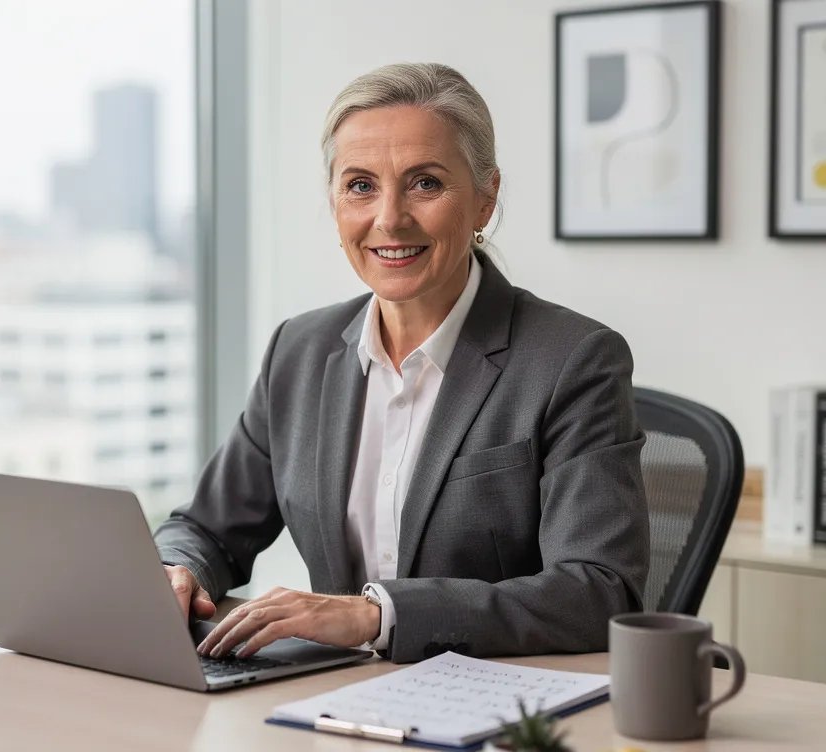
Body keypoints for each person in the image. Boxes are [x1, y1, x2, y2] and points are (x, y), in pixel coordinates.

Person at [154, 62, 649, 664]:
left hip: (494, 705)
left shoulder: (573, 361)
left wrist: (376, 615)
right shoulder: (300, 351)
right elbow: (205, 529)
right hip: (330, 698)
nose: (389, 219)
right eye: (360, 185)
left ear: (485, 199)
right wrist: (176, 570)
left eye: (425, 184)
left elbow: (598, 592)